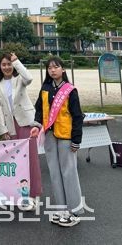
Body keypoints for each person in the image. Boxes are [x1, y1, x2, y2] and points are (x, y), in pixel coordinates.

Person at [32, 56, 85, 227]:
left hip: (66, 136)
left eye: (56, 67)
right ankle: (62, 209)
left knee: (69, 172)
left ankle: (74, 211)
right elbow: (39, 109)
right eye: (49, 68)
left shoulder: (70, 90)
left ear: (63, 69)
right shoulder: (45, 88)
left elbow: (77, 116)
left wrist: (76, 140)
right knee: (54, 173)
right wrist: (37, 126)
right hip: (49, 135)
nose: (52, 70)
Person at [0, 52, 42, 204]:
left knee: (31, 158)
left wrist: (16, 62)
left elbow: (29, 78)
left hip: (26, 122)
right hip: (10, 125)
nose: (7, 67)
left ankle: (33, 194)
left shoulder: (19, 78)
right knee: (15, 160)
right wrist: (3, 129)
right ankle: (19, 193)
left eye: (9, 64)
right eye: (3, 64)